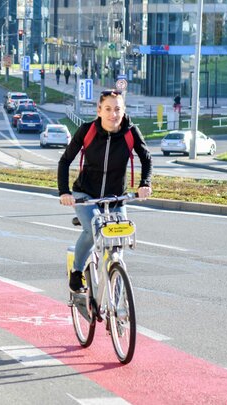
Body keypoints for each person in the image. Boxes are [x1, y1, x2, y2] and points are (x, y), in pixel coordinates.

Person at [57, 90, 153, 292]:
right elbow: (65, 161)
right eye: (108, 109)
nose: (113, 114)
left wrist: (145, 183)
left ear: (124, 110)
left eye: (117, 109)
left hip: (116, 197)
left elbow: (147, 158)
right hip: (86, 195)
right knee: (94, 229)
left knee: (118, 240)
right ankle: (76, 271)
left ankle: (116, 291)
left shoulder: (131, 132)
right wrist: (64, 192)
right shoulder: (87, 130)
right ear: (99, 110)